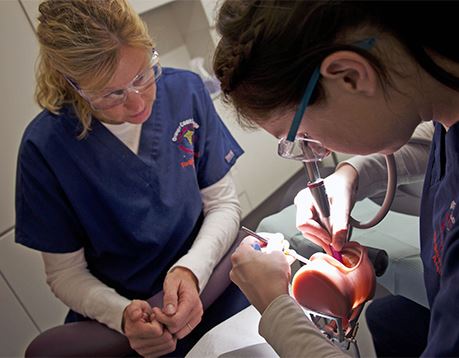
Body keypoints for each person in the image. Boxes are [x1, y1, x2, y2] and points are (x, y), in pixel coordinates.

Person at [212, 1, 459, 357]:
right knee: (389, 321)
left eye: (306, 137)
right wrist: (351, 174)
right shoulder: (443, 97)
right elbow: (439, 136)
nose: (319, 153)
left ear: (350, 76)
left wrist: (277, 308)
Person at [15, 0, 249, 356]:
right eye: (111, 94)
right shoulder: (44, 149)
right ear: (73, 85)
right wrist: (122, 315)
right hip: (126, 320)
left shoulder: (184, 91)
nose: (139, 103)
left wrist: (191, 270)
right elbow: (65, 274)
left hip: (207, 280)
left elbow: (222, 202)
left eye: (143, 74)